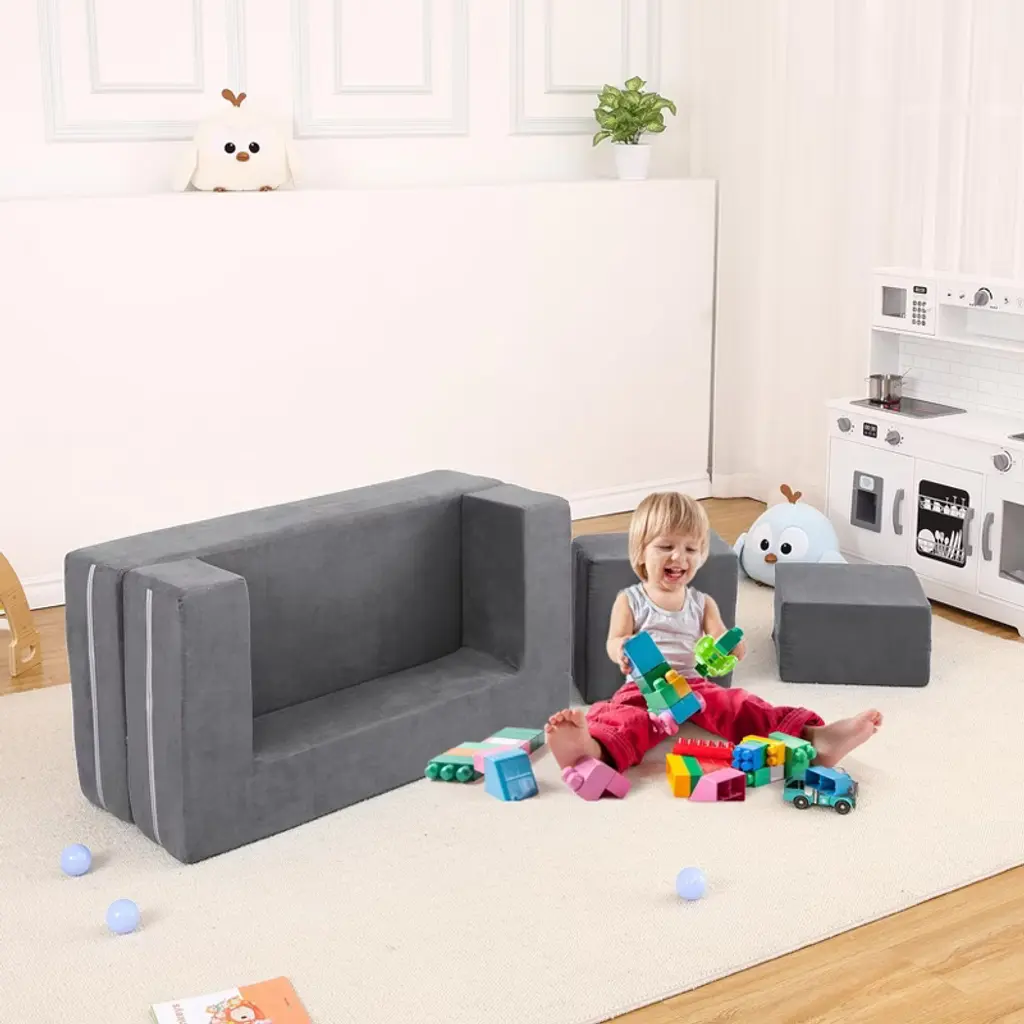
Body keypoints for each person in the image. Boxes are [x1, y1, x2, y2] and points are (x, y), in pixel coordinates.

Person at [546, 491, 883, 776]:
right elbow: (613, 640)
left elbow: (724, 640)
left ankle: (815, 737)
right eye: (666, 546)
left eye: (690, 550)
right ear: (641, 552)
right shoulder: (630, 599)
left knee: (741, 705)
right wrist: (621, 648)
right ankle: (591, 748)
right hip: (643, 689)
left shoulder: (701, 603)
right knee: (623, 716)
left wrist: (732, 648)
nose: (678, 557)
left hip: (693, 685)